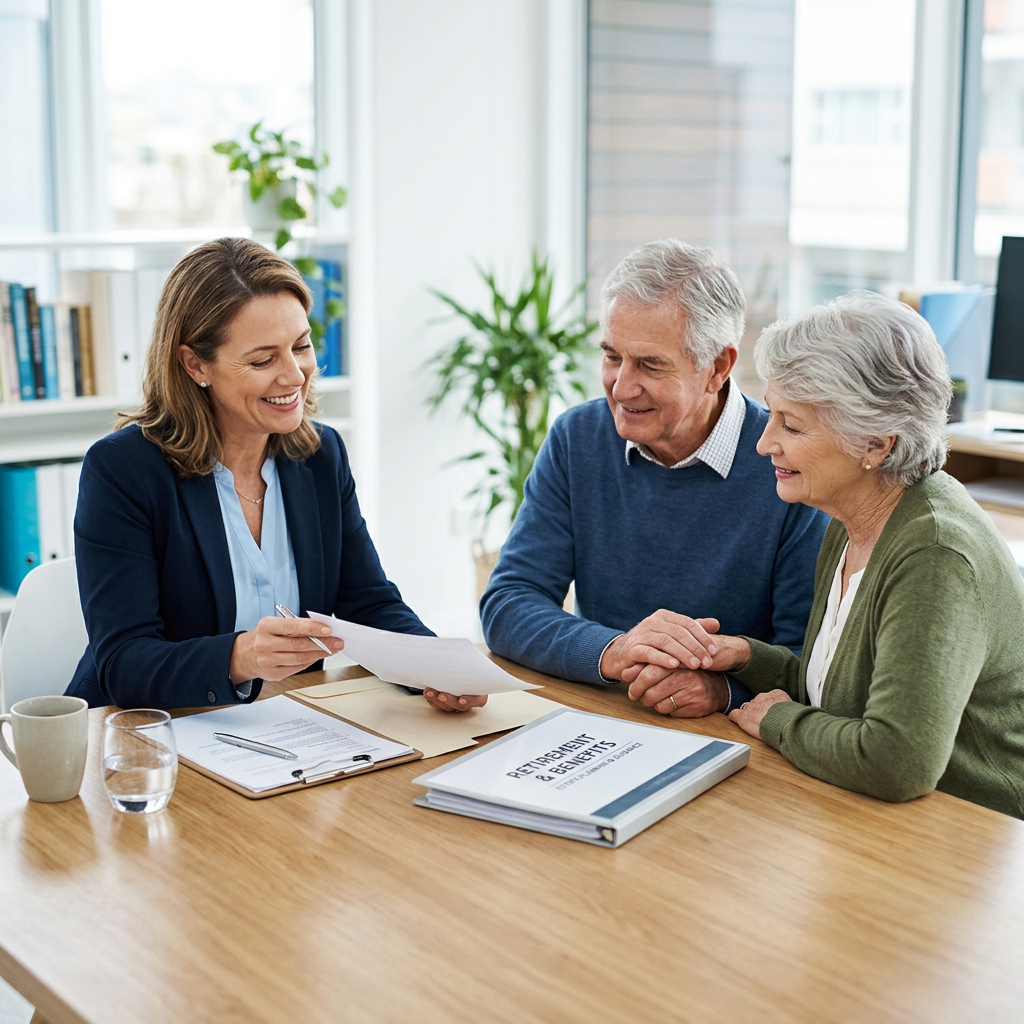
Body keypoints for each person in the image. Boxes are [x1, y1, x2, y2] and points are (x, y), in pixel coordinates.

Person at [631, 291, 1024, 817]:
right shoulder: (851, 516)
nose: (764, 443)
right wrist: (746, 656)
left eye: (791, 426)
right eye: (771, 417)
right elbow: (837, 697)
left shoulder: (934, 554)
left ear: (875, 445)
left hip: (970, 834)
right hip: (870, 814)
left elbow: (897, 760)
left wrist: (775, 719)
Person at [66, 238, 481, 713]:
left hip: (284, 727)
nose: (294, 375)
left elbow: (367, 602)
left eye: (301, 346)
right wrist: (240, 657)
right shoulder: (125, 471)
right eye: (263, 360)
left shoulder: (320, 456)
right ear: (195, 364)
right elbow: (123, 662)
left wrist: (439, 668)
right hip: (149, 737)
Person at [480, 240, 828, 717]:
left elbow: (808, 660)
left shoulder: (786, 464)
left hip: (730, 739)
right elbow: (508, 603)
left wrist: (724, 690)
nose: (621, 387)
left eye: (649, 364)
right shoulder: (576, 438)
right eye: (611, 356)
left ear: (718, 368)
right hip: (600, 716)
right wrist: (616, 650)